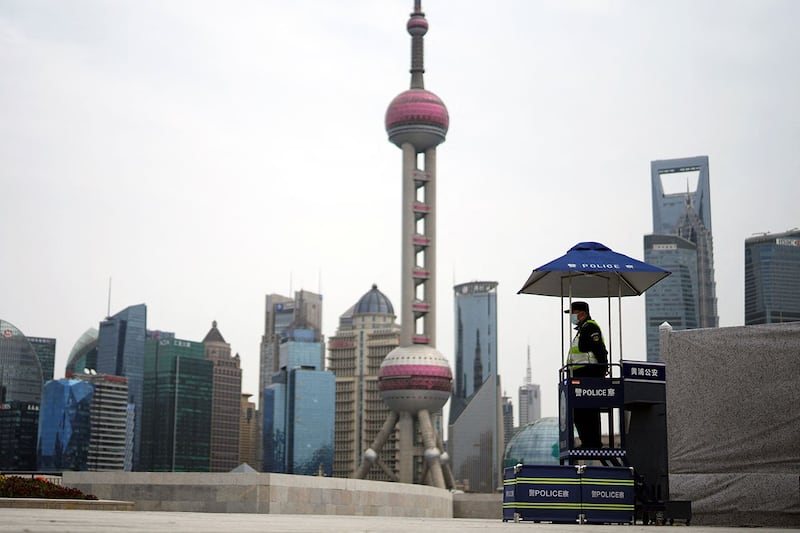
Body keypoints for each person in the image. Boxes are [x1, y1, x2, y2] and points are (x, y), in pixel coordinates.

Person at [564, 301, 608, 449]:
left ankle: (593, 443)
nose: (571, 317)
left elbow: (599, 349)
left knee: (589, 409)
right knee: (579, 411)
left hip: (590, 372)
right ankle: (587, 442)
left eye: (572, 314)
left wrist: (604, 368)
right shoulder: (582, 329)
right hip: (579, 373)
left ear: (581, 313)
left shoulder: (590, 327)